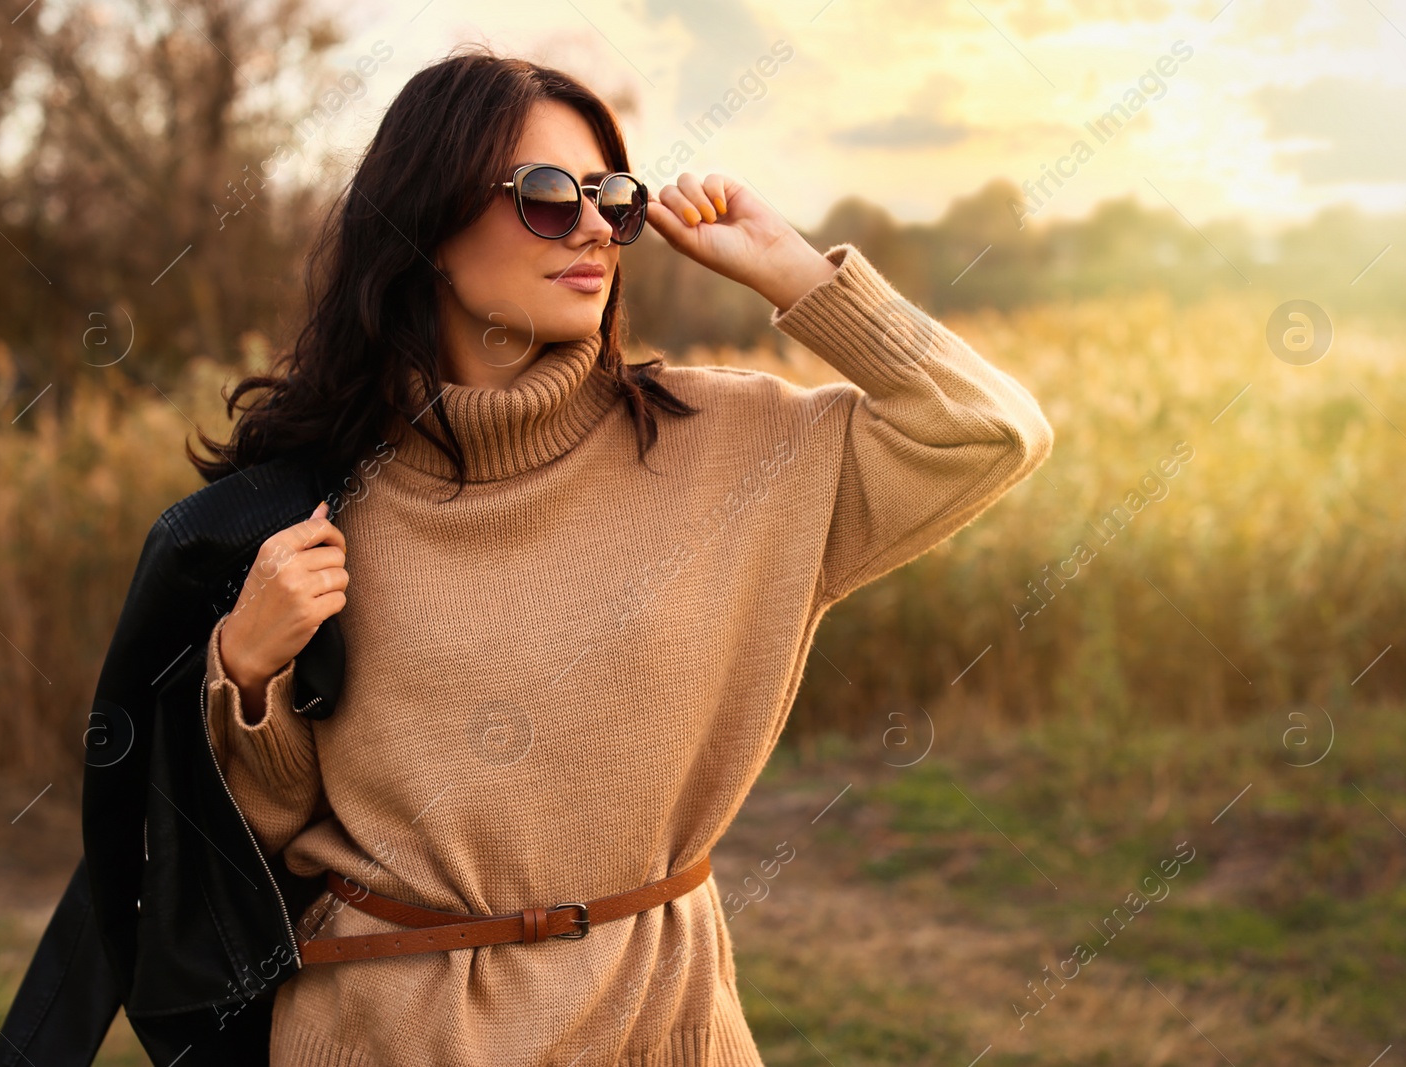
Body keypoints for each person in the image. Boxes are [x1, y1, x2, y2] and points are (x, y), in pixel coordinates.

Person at [192, 44, 1053, 1067]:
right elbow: (263, 831)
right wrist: (245, 670)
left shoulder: (734, 448)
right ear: (426, 226)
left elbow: (989, 432)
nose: (596, 226)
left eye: (613, 197)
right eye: (549, 196)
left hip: (662, 1020)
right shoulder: (317, 490)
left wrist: (794, 271)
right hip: (385, 1030)